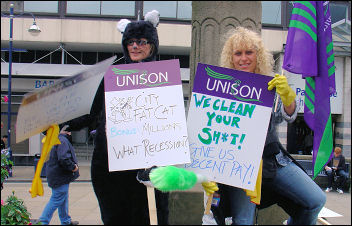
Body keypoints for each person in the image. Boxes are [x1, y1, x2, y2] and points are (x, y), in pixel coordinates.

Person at [202, 27, 326, 225]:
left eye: (249, 52)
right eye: (238, 53)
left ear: (258, 55)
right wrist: (206, 174)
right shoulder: (219, 87)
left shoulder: (270, 83)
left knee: (316, 200)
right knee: (243, 220)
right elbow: (207, 131)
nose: (244, 58)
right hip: (237, 165)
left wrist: (287, 97)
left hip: (272, 160)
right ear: (231, 57)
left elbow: (288, 116)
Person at [65, 11, 170, 225]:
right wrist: (62, 121)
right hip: (110, 165)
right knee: (115, 218)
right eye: (130, 42)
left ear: (152, 44)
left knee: (150, 218)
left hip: (148, 168)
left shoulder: (164, 77)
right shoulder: (112, 75)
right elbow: (92, 112)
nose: (135, 46)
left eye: (141, 41)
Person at [38, 125, 79, 225]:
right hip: (60, 176)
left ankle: (66, 220)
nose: (70, 133)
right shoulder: (62, 141)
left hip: (55, 174)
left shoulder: (53, 139)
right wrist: (73, 167)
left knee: (63, 198)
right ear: (63, 131)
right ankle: (43, 221)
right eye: (68, 131)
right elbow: (63, 158)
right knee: (57, 199)